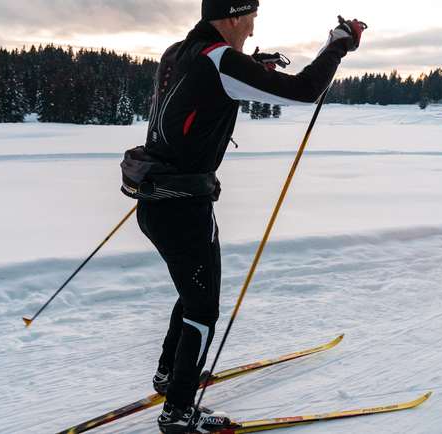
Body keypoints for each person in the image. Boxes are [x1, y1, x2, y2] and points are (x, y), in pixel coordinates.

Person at [120, 1, 366, 432]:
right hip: (183, 207)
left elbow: (204, 84)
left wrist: (250, 65)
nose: (252, 29)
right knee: (202, 308)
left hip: (155, 202)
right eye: (250, 18)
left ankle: (169, 376)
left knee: (192, 292)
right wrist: (337, 46)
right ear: (233, 16)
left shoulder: (178, 51)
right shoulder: (218, 60)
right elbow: (306, 90)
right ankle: (178, 412)